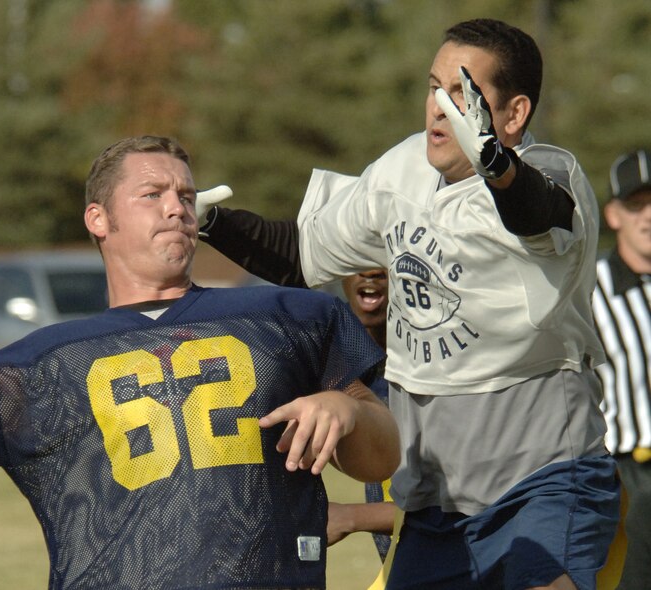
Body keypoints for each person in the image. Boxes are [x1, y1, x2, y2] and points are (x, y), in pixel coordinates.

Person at [0, 135, 400, 589]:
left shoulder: (288, 314)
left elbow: (383, 452)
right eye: (153, 195)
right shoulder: (52, 359)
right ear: (99, 219)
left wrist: (344, 412)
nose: (177, 209)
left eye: (186, 197)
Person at [199, 19, 621, 590]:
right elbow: (304, 254)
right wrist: (208, 223)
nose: (438, 109)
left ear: (515, 115)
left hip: (541, 476)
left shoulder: (549, 175)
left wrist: (496, 164)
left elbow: (532, 208)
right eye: (432, 88)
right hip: (435, 498)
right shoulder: (403, 173)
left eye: (461, 95)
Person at [593, 149, 651, 590]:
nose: (648, 217)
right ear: (614, 214)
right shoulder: (589, 291)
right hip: (626, 475)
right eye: (637, 205)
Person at [327, 270, 396, 563]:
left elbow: (473, 505)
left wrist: (351, 516)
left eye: (382, 257)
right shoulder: (340, 360)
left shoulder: (443, 377)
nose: (370, 271)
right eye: (355, 258)